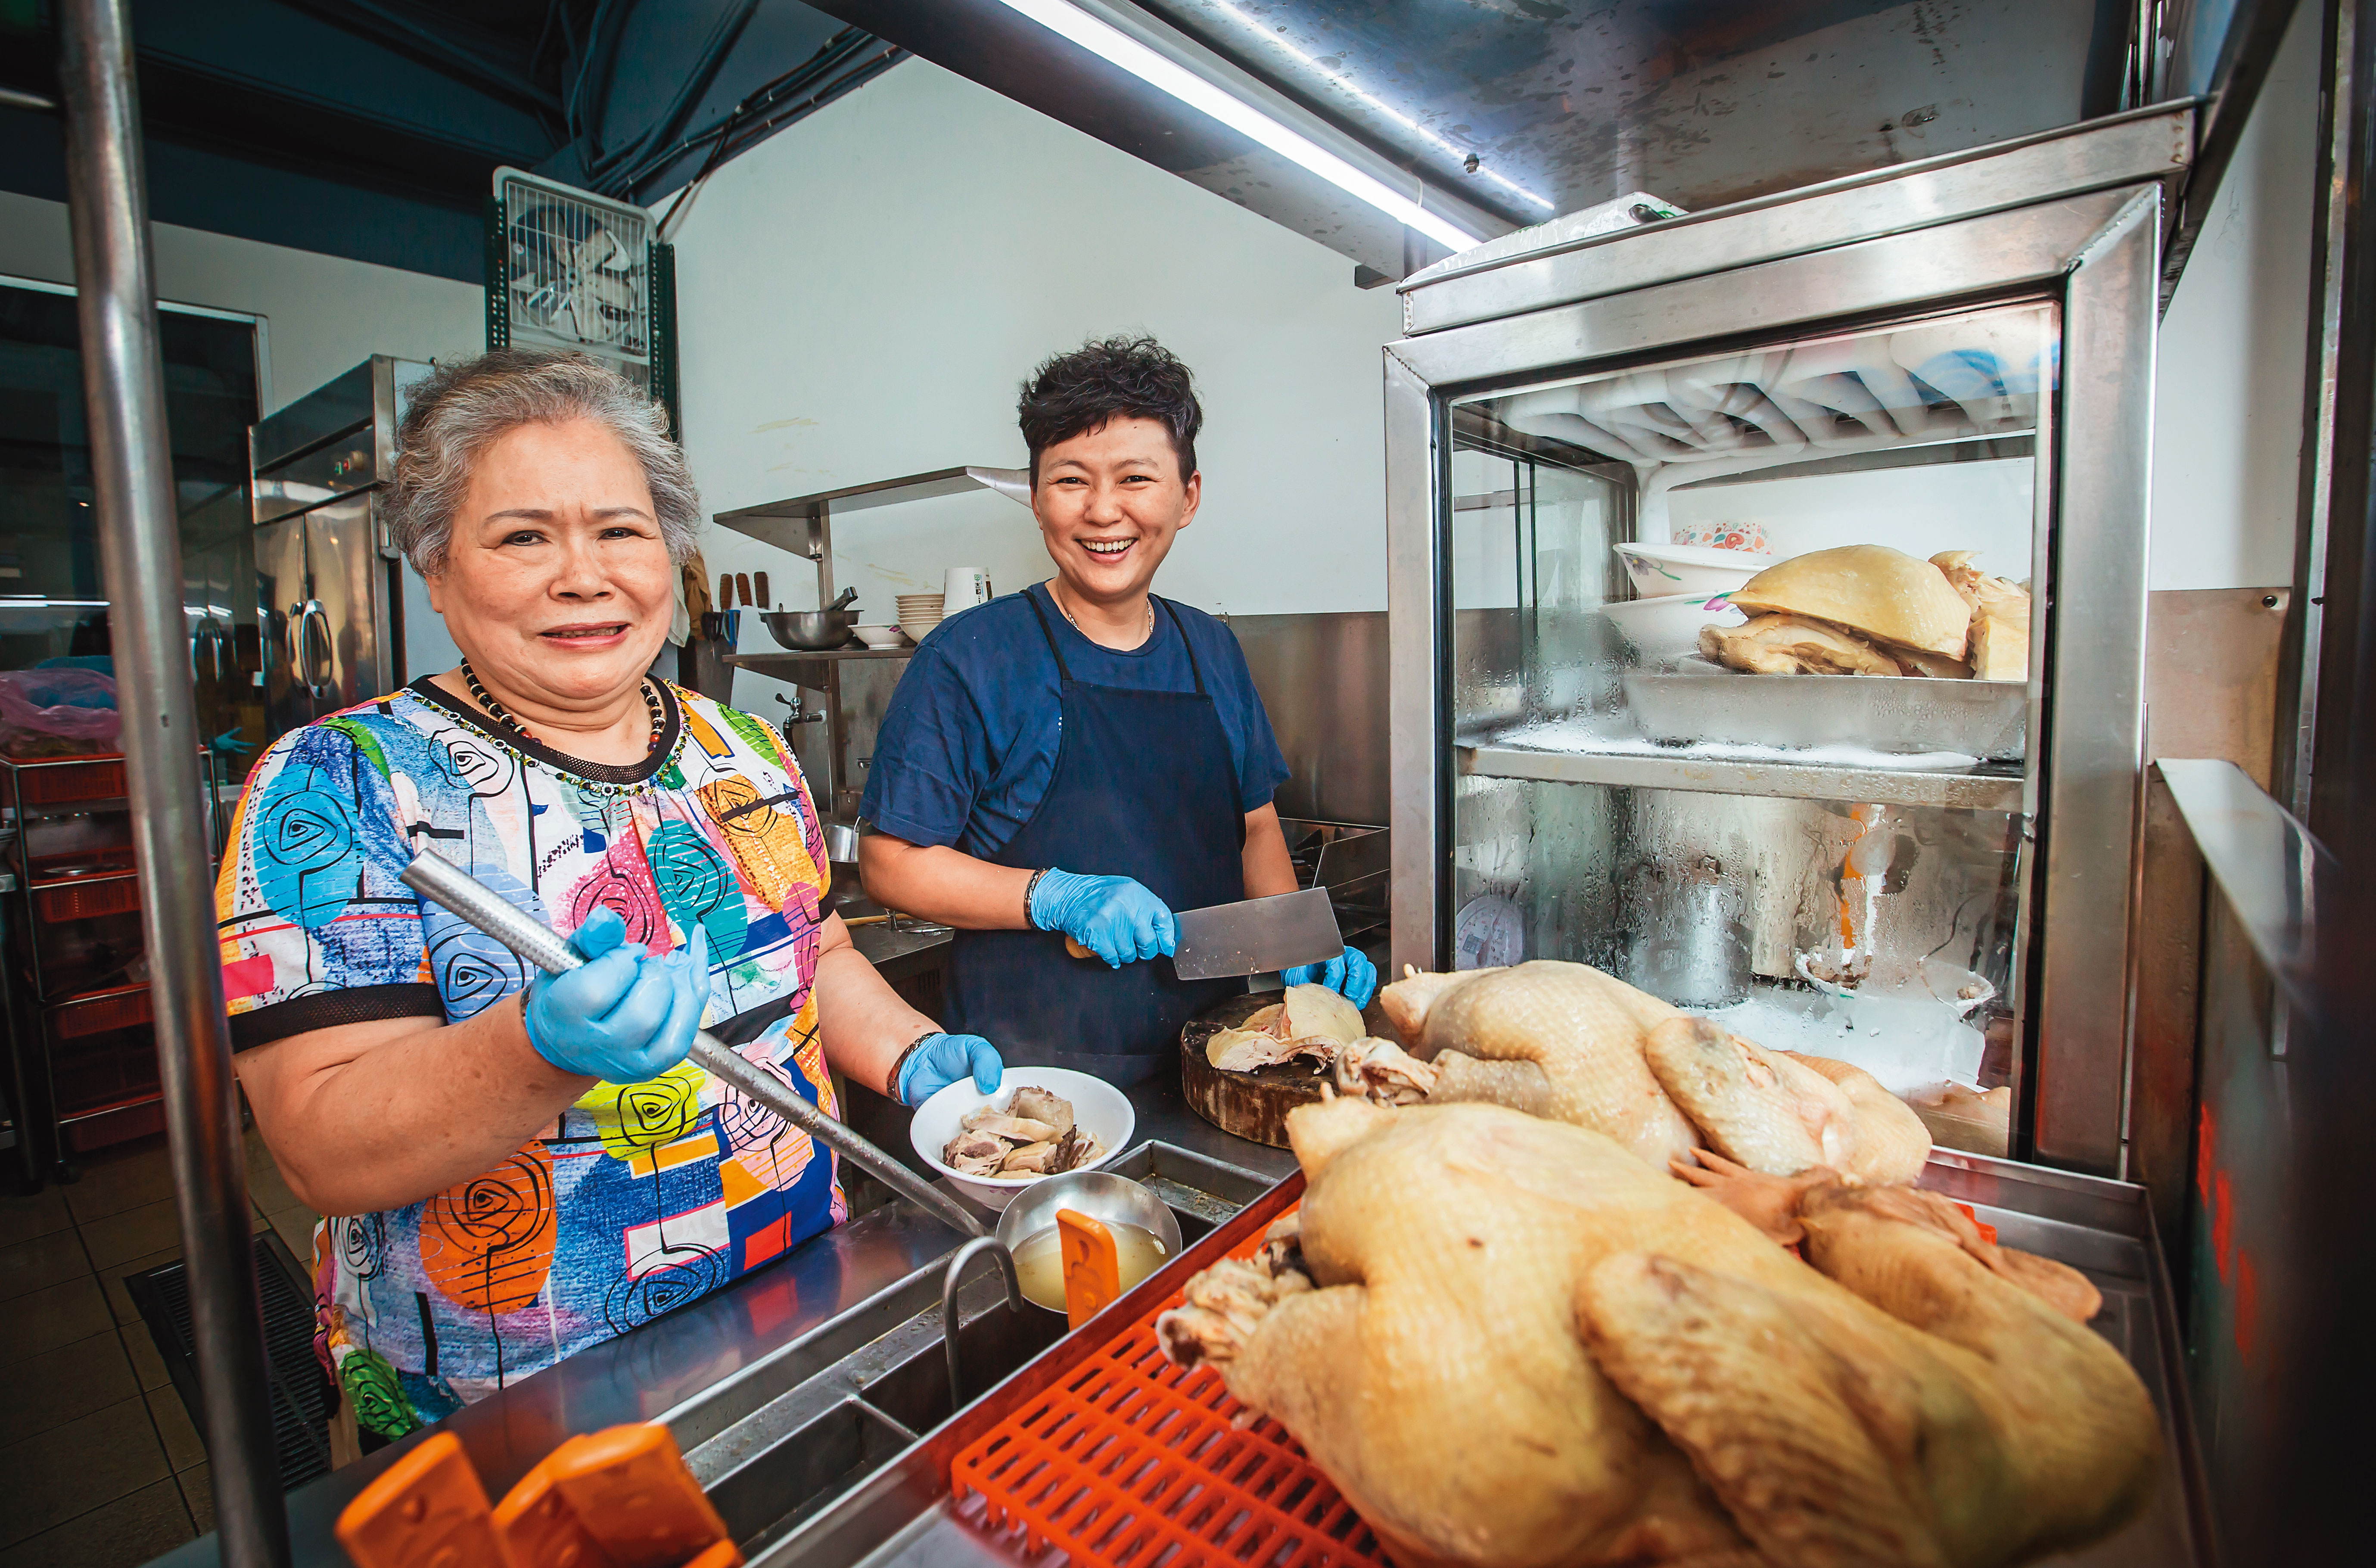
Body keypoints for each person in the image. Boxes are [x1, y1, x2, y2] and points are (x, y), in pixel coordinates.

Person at [215, 350, 1005, 1440]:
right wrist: (538, 1049)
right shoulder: (338, 780)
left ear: (672, 556)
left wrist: (913, 1051)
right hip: (515, 1400)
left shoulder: (743, 745)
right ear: (437, 568)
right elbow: (318, 1140)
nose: (583, 576)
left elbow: (813, 954)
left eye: (620, 531)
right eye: (523, 536)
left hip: (794, 1306)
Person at [859, 336, 1375, 1086]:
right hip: (1037, 1077)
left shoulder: (1213, 651)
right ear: (1036, 497)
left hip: (1220, 1062)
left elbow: (1256, 828)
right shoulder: (970, 659)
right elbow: (889, 863)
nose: (1104, 512)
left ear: (1188, 495)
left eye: (1136, 478)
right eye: (1071, 480)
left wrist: (1296, 942)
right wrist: (1053, 897)